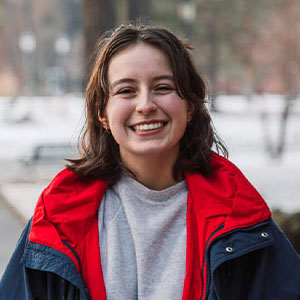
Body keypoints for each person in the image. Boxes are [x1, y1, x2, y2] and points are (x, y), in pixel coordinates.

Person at [0, 24, 300, 300]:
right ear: (102, 113)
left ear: (190, 106)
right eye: (126, 91)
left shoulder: (237, 211)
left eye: (163, 88)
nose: (145, 105)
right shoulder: (59, 216)